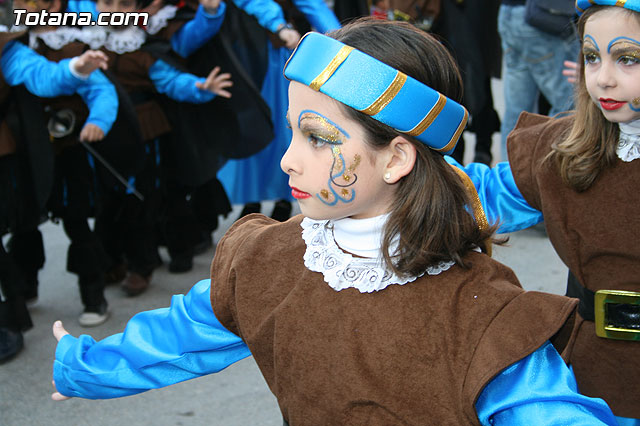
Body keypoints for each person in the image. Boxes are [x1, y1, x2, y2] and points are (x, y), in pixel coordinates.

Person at [50, 19, 618, 425]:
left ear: (396, 158)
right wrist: (81, 367)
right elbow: (181, 336)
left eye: (318, 138)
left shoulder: (481, 315)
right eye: (292, 131)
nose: (287, 160)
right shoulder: (266, 260)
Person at [447, 1, 640, 423]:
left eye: (628, 59)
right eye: (592, 57)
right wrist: (398, 139)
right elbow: (479, 197)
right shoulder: (565, 151)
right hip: (595, 374)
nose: (603, 78)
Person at [0, 31, 110, 360]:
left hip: (60, 149)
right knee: (24, 225)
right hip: (26, 153)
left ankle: (93, 296)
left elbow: (45, 77)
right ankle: (23, 294)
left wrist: (77, 68)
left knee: (74, 218)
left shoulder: (16, 49)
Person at [497, 0, 579, 161]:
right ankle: (550, 168)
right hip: (542, 18)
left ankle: (509, 171)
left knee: (517, 111)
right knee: (568, 105)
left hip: (510, 14)